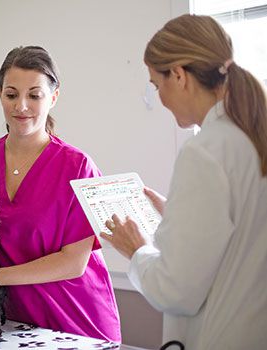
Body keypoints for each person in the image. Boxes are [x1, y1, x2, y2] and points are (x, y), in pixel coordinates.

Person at [0, 46, 121, 342]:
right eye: (11, 94)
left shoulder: (78, 166)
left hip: (74, 322)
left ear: (54, 97)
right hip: (10, 324)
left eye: (34, 95)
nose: (21, 106)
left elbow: (73, 262)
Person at [100, 14, 267, 349]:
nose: (159, 98)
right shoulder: (251, 137)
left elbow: (175, 291)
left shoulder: (204, 152)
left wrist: (137, 250)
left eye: (156, 85)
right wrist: (176, 213)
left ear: (178, 75)